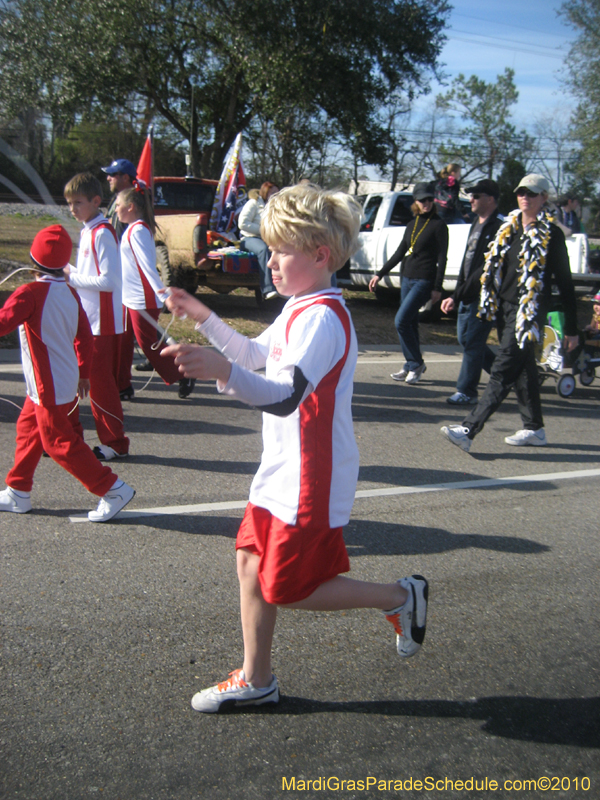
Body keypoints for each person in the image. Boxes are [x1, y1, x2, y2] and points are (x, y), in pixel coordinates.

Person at [161, 184, 429, 713]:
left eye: (280, 251)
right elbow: (256, 355)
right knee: (248, 560)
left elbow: (285, 397)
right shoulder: (299, 307)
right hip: (282, 467)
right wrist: (204, 316)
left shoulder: (324, 318)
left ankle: (401, 596)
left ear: (320, 255)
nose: (271, 262)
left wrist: (223, 373)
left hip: (312, 476)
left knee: (288, 587)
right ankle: (257, 679)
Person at [0, 225, 135, 522]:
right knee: (28, 431)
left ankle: (112, 488)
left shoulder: (29, 293)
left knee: (58, 443)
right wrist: (83, 372)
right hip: (60, 380)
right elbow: (84, 337)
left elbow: (3, 323)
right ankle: (18, 490)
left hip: (48, 385)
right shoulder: (69, 292)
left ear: (32, 260)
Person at [441, 174, 579, 452]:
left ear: (543, 198)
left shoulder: (551, 234)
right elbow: (487, 268)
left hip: (528, 313)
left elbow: (565, 283)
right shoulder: (509, 228)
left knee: (503, 369)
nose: (525, 197)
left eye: (532, 193)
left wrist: (573, 329)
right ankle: (534, 428)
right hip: (504, 309)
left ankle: (469, 429)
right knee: (524, 371)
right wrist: (458, 295)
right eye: (521, 192)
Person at [64, 172, 130, 461]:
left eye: (77, 202)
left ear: (95, 201)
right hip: (88, 320)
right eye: (69, 203)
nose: (72, 209)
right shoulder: (88, 230)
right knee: (82, 381)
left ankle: (115, 443)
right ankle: (72, 437)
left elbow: (109, 281)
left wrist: (73, 277)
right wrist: (69, 273)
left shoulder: (102, 232)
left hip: (101, 323)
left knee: (100, 386)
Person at [115, 183, 195, 399]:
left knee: (148, 345)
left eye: (118, 205)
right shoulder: (133, 229)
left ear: (131, 206)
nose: (115, 209)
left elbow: (148, 268)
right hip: (128, 297)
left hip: (142, 298)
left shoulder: (138, 230)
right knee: (123, 343)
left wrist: (164, 296)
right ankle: (122, 386)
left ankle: (182, 373)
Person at [368, 182, 448, 384]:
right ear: (416, 202)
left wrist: (437, 288)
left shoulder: (439, 225)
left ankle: (416, 363)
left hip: (424, 280)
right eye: (422, 200)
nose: (427, 203)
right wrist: (380, 274)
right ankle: (409, 364)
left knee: (401, 321)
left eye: (430, 199)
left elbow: (442, 258)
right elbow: (400, 252)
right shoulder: (412, 225)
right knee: (410, 323)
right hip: (407, 278)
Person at [440, 179, 504, 404]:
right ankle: (506, 374)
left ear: (491, 199)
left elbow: (484, 269)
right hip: (467, 293)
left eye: (476, 196)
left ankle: (466, 391)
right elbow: (467, 263)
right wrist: (456, 293)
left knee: (474, 342)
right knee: (465, 339)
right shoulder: (476, 222)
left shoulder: (499, 228)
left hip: (485, 295)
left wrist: (457, 295)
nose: (471, 199)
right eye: (470, 195)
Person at [238, 181, 280, 299]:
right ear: (265, 191)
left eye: (277, 192)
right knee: (263, 249)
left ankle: (284, 288)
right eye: (272, 192)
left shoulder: (276, 208)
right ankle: (268, 289)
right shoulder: (253, 203)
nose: (275, 194)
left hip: (269, 239)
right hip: (249, 238)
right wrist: (263, 230)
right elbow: (242, 224)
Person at [101, 158, 137, 242]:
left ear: (125, 177)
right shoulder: (115, 199)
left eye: (112, 174)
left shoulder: (136, 202)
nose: (108, 178)